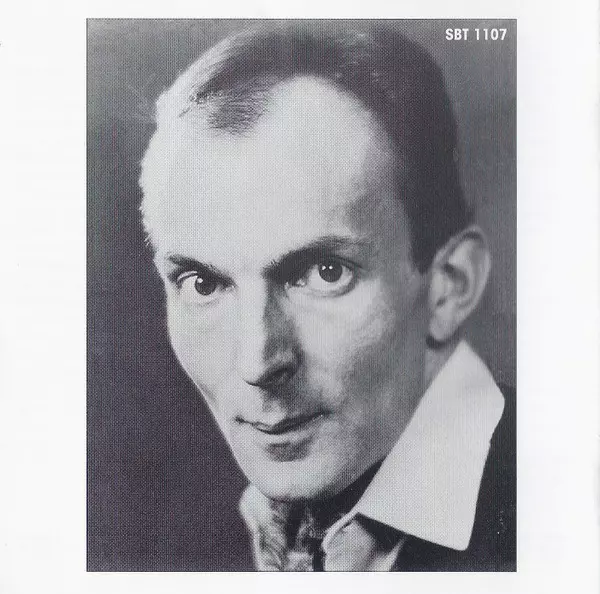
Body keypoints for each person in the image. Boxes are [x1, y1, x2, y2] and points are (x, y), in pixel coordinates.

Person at [138, 22, 515, 571]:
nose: (258, 363)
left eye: (325, 272)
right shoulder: (181, 535)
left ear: (448, 287)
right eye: (204, 283)